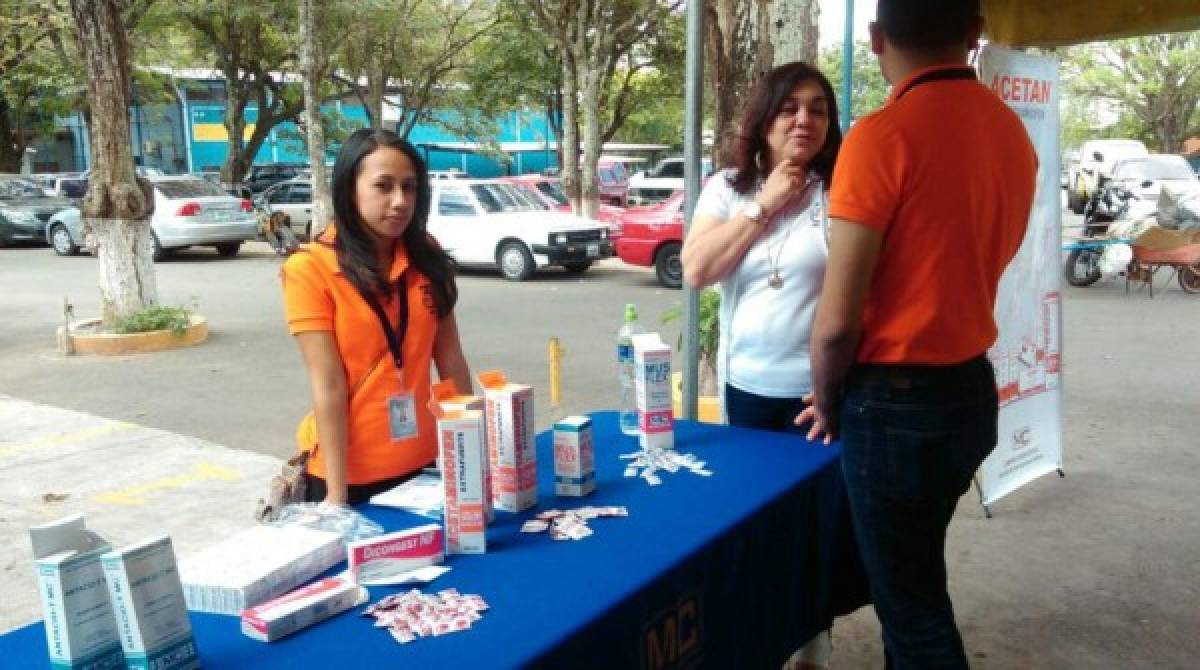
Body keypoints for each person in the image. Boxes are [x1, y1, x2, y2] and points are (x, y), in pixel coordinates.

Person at [801, 1, 1038, 667]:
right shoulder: (1009, 133)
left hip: (895, 406)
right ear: (975, 35)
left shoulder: (883, 136)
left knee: (912, 611)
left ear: (875, 39)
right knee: (916, 576)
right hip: (969, 394)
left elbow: (837, 322)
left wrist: (825, 397)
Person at [680, 61, 852, 669]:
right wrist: (764, 206)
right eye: (790, 108)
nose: (804, 119)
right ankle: (757, 641)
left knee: (813, 531)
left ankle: (812, 648)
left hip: (819, 397)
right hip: (745, 390)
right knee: (755, 528)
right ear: (765, 119)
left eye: (818, 109)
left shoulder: (844, 190)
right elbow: (697, 269)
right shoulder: (727, 187)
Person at [281, 128, 473, 506]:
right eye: (383, 186)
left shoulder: (425, 255)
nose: (400, 201)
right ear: (350, 190)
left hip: (425, 462)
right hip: (347, 475)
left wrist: (470, 450)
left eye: (410, 187)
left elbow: (450, 359)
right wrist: (335, 498)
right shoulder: (309, 268)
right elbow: (329, 385)